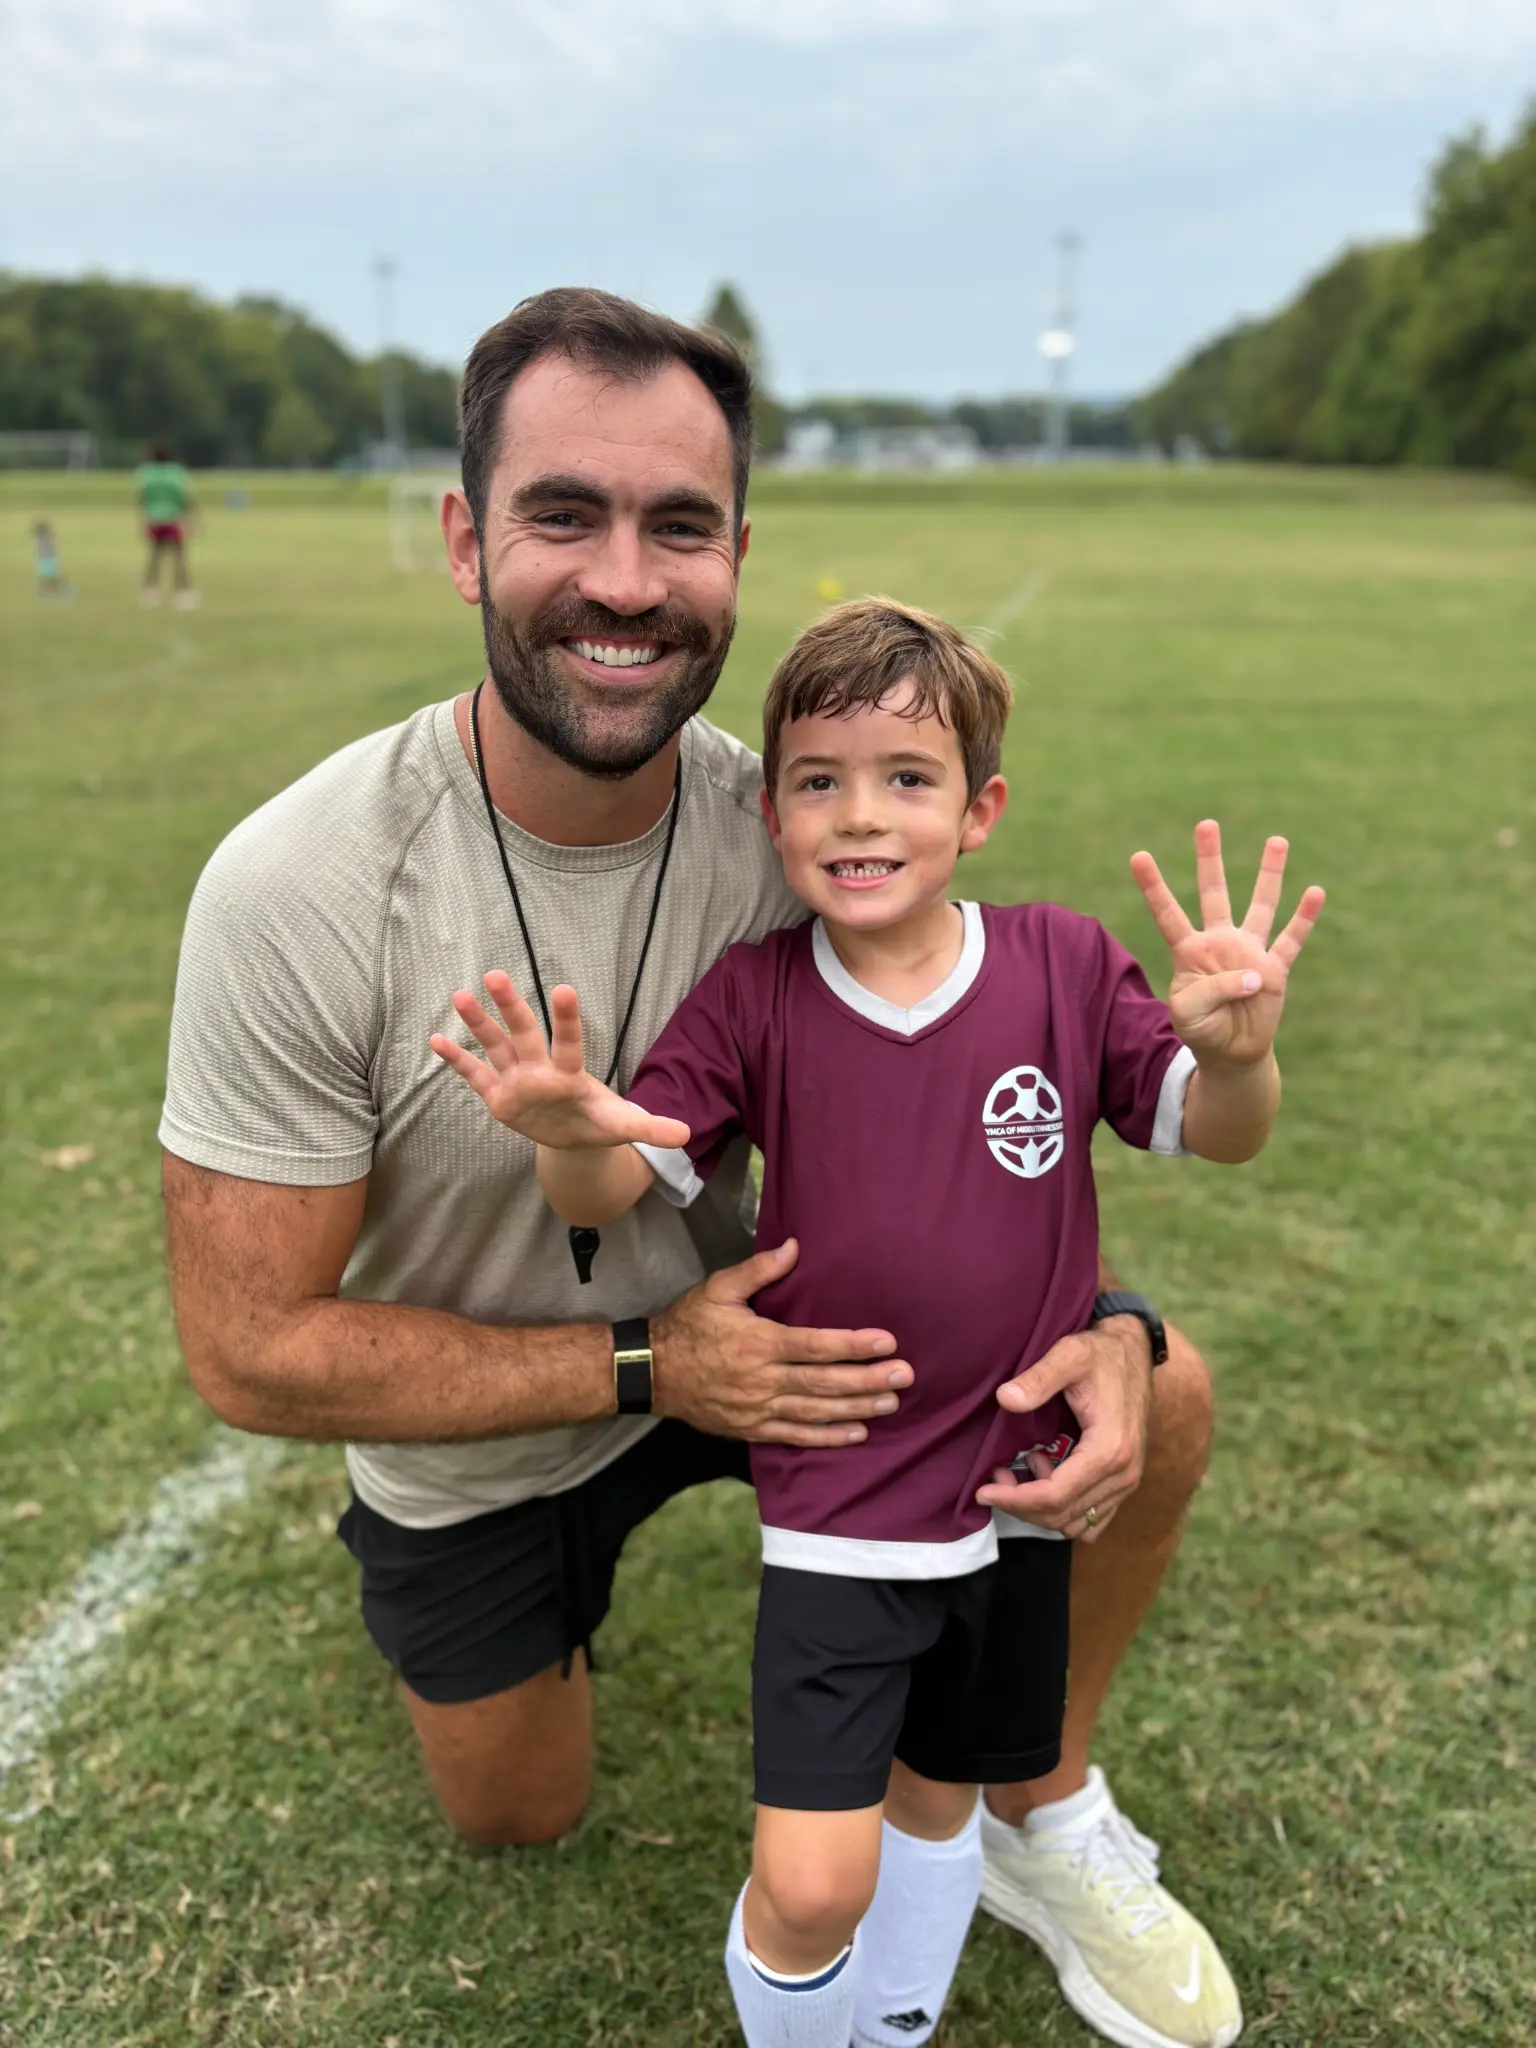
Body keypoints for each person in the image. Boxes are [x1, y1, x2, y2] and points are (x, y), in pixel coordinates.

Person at [161, 287, 1245, 2048]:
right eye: (562, 515)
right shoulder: (297, 884)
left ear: (739, 553)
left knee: (1166, 1387)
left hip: (790, 1350)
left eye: (679, 525)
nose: (624, 581)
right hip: (492, 1429)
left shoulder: (804, 828)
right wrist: (656, 1361)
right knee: (519, 1809)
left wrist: (1103, 1322)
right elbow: (247, 1348)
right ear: (464, 539)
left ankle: (1036, 1797)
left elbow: (987, 1101)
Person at [433, 598, 1323, 2048]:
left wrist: (1240, 1056)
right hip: (843, 1495)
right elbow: (616, 1179)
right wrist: (560, 1131)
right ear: (770, 809)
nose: (860, 816)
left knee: (940, 1803)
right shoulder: (758, 996)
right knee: (808, 1876)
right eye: (817, 780)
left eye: (906, 780)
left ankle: (895, 2025)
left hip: (1019, 1494)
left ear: (979, 810)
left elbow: (1213, 1134)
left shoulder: (1057, 964)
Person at [135, 442, 198, 608]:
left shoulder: (146, 473)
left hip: (154, 520)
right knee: (178, 558)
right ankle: (182, 592)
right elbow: (185, 497)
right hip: (173, 519)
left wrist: (142, 520)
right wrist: (190, 520)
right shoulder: (176, 473)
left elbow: (142, 498)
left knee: (154, 558)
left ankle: (150, 591)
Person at [33, 520, 73, 599]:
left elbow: (43, 549)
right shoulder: (44, 537)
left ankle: (49, 592)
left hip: (47, 558)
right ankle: (52, 591)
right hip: (47, 558)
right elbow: (51, 547)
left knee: (51, 577)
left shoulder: (41, 538)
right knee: (51, 577)